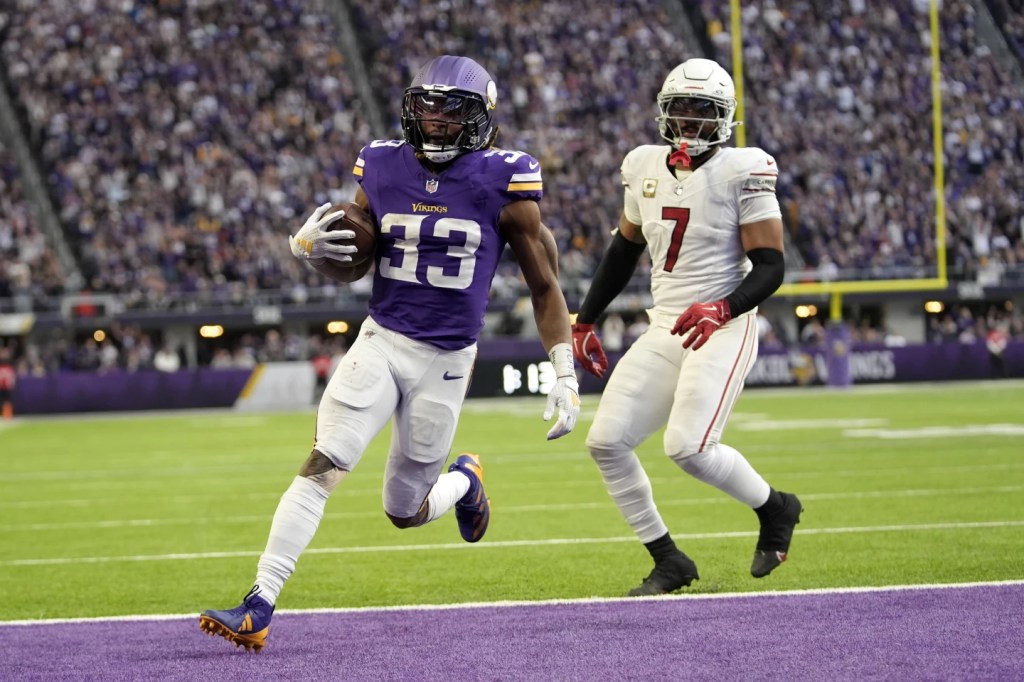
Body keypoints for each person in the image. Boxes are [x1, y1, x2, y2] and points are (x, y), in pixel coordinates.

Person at [200, 55, 580, 651]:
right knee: (324, 463)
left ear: (480, 119)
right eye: (426, 110)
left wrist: (564, 370)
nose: (434, 122)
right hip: (381, 340)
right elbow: (355, 258)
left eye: (450, 113)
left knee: (404, 511)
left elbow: (544, 286)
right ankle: (260, 602)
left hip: (446, 360)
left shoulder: (505, 179)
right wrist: (311, 250)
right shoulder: (381, 164)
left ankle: (465, 483)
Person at [571, 58, 801, 596]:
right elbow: (624, 248)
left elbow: (771, 265)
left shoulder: (745, 168)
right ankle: (668, 559)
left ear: (724, 117)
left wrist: (723, 307)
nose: (690, 120)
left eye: (703, 110)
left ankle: (775, 507)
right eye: (681, 109)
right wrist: (586, 319)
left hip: (724, 325)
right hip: (667, 326)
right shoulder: (642, 164)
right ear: (664, 112)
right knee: (605, 442)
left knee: (688, 447)